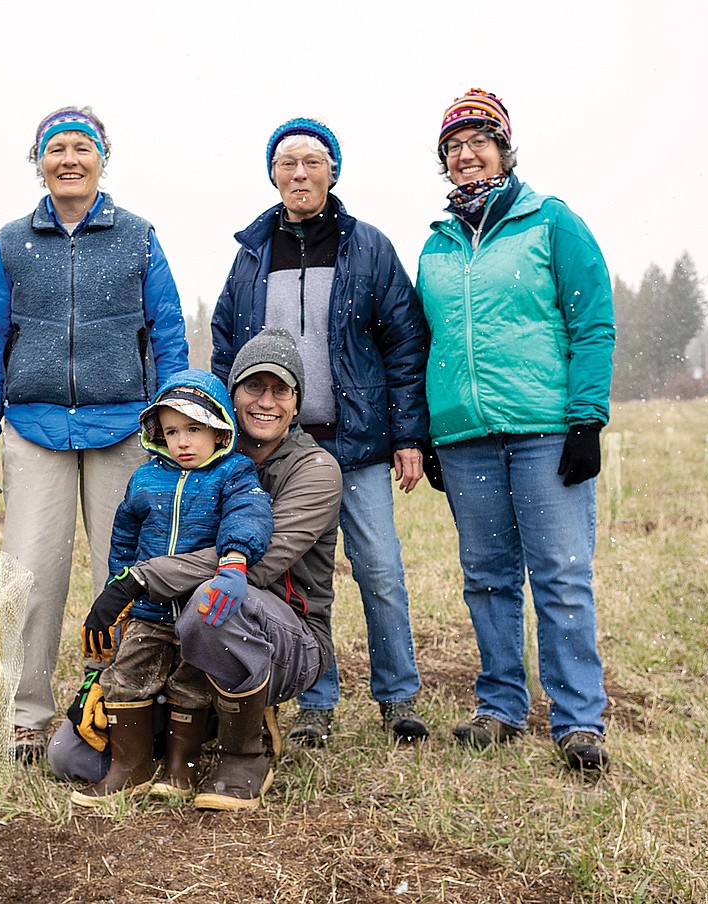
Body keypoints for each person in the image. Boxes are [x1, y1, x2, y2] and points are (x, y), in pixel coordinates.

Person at [0, 107, 188, 762]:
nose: (68, 159)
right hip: (34, 428)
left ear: (101, 159)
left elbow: (168, 336)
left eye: (80, 148)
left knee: (120, 577)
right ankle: (27, 713)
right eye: (55, 148)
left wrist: (171, 421)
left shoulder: (138, 237)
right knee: (30, 577)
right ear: (38, 161)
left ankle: (118, 702)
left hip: (124, 427)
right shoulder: (12, 243)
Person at [52, 327, 344, 810]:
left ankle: (243, 753)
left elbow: (259, 562)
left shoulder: (315, 469)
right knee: (73, 757)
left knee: (215, 600)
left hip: (285, 636)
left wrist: (143, 580)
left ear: (297, 403)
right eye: (254, 386)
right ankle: (171, 742)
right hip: (168, 623)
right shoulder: (193, 461)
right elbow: (132, 537)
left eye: (280, 390)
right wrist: (105, 656)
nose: (265, 401)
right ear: (232, 398)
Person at [211, 118, 430, 748]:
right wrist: (236, 427)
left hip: (357, 443)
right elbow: (229, 340)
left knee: (379, 569)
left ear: (334, 171)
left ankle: (398, 695)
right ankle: (316, 701)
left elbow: (405, 343)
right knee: (300, 575)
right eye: (286, 164)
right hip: (278, 451)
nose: (299, 174)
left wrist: (408, 435)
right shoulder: (253, 252)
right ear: (273, 174)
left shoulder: (368, 248)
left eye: (312, 162)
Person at [415, 89, 615, 773]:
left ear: (504, 148)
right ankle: (500, 705)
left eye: (479, 140)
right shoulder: (436, 246)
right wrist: (432, 429)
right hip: (465, 439)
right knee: (488, 577)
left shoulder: (550, 222)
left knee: (560, 574)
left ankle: (579, 719)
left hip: (543, 430)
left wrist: (586, 418)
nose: (466, 154)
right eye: (454, 146)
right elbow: (427, 345)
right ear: (444, 161)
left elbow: (592, 323)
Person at [70, 369, 273, 806]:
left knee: (191, 684)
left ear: (220, 430)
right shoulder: (146, 479)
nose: (182, 442)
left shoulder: (234, 473)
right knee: (126, 677)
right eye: (172, 431)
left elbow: (249, 515)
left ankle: (182, 769)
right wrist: (117, 595)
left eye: (194, 429)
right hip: (147, 610)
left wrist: (235, 558)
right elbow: (123, 542)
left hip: (201, 613)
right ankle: (131, 768)